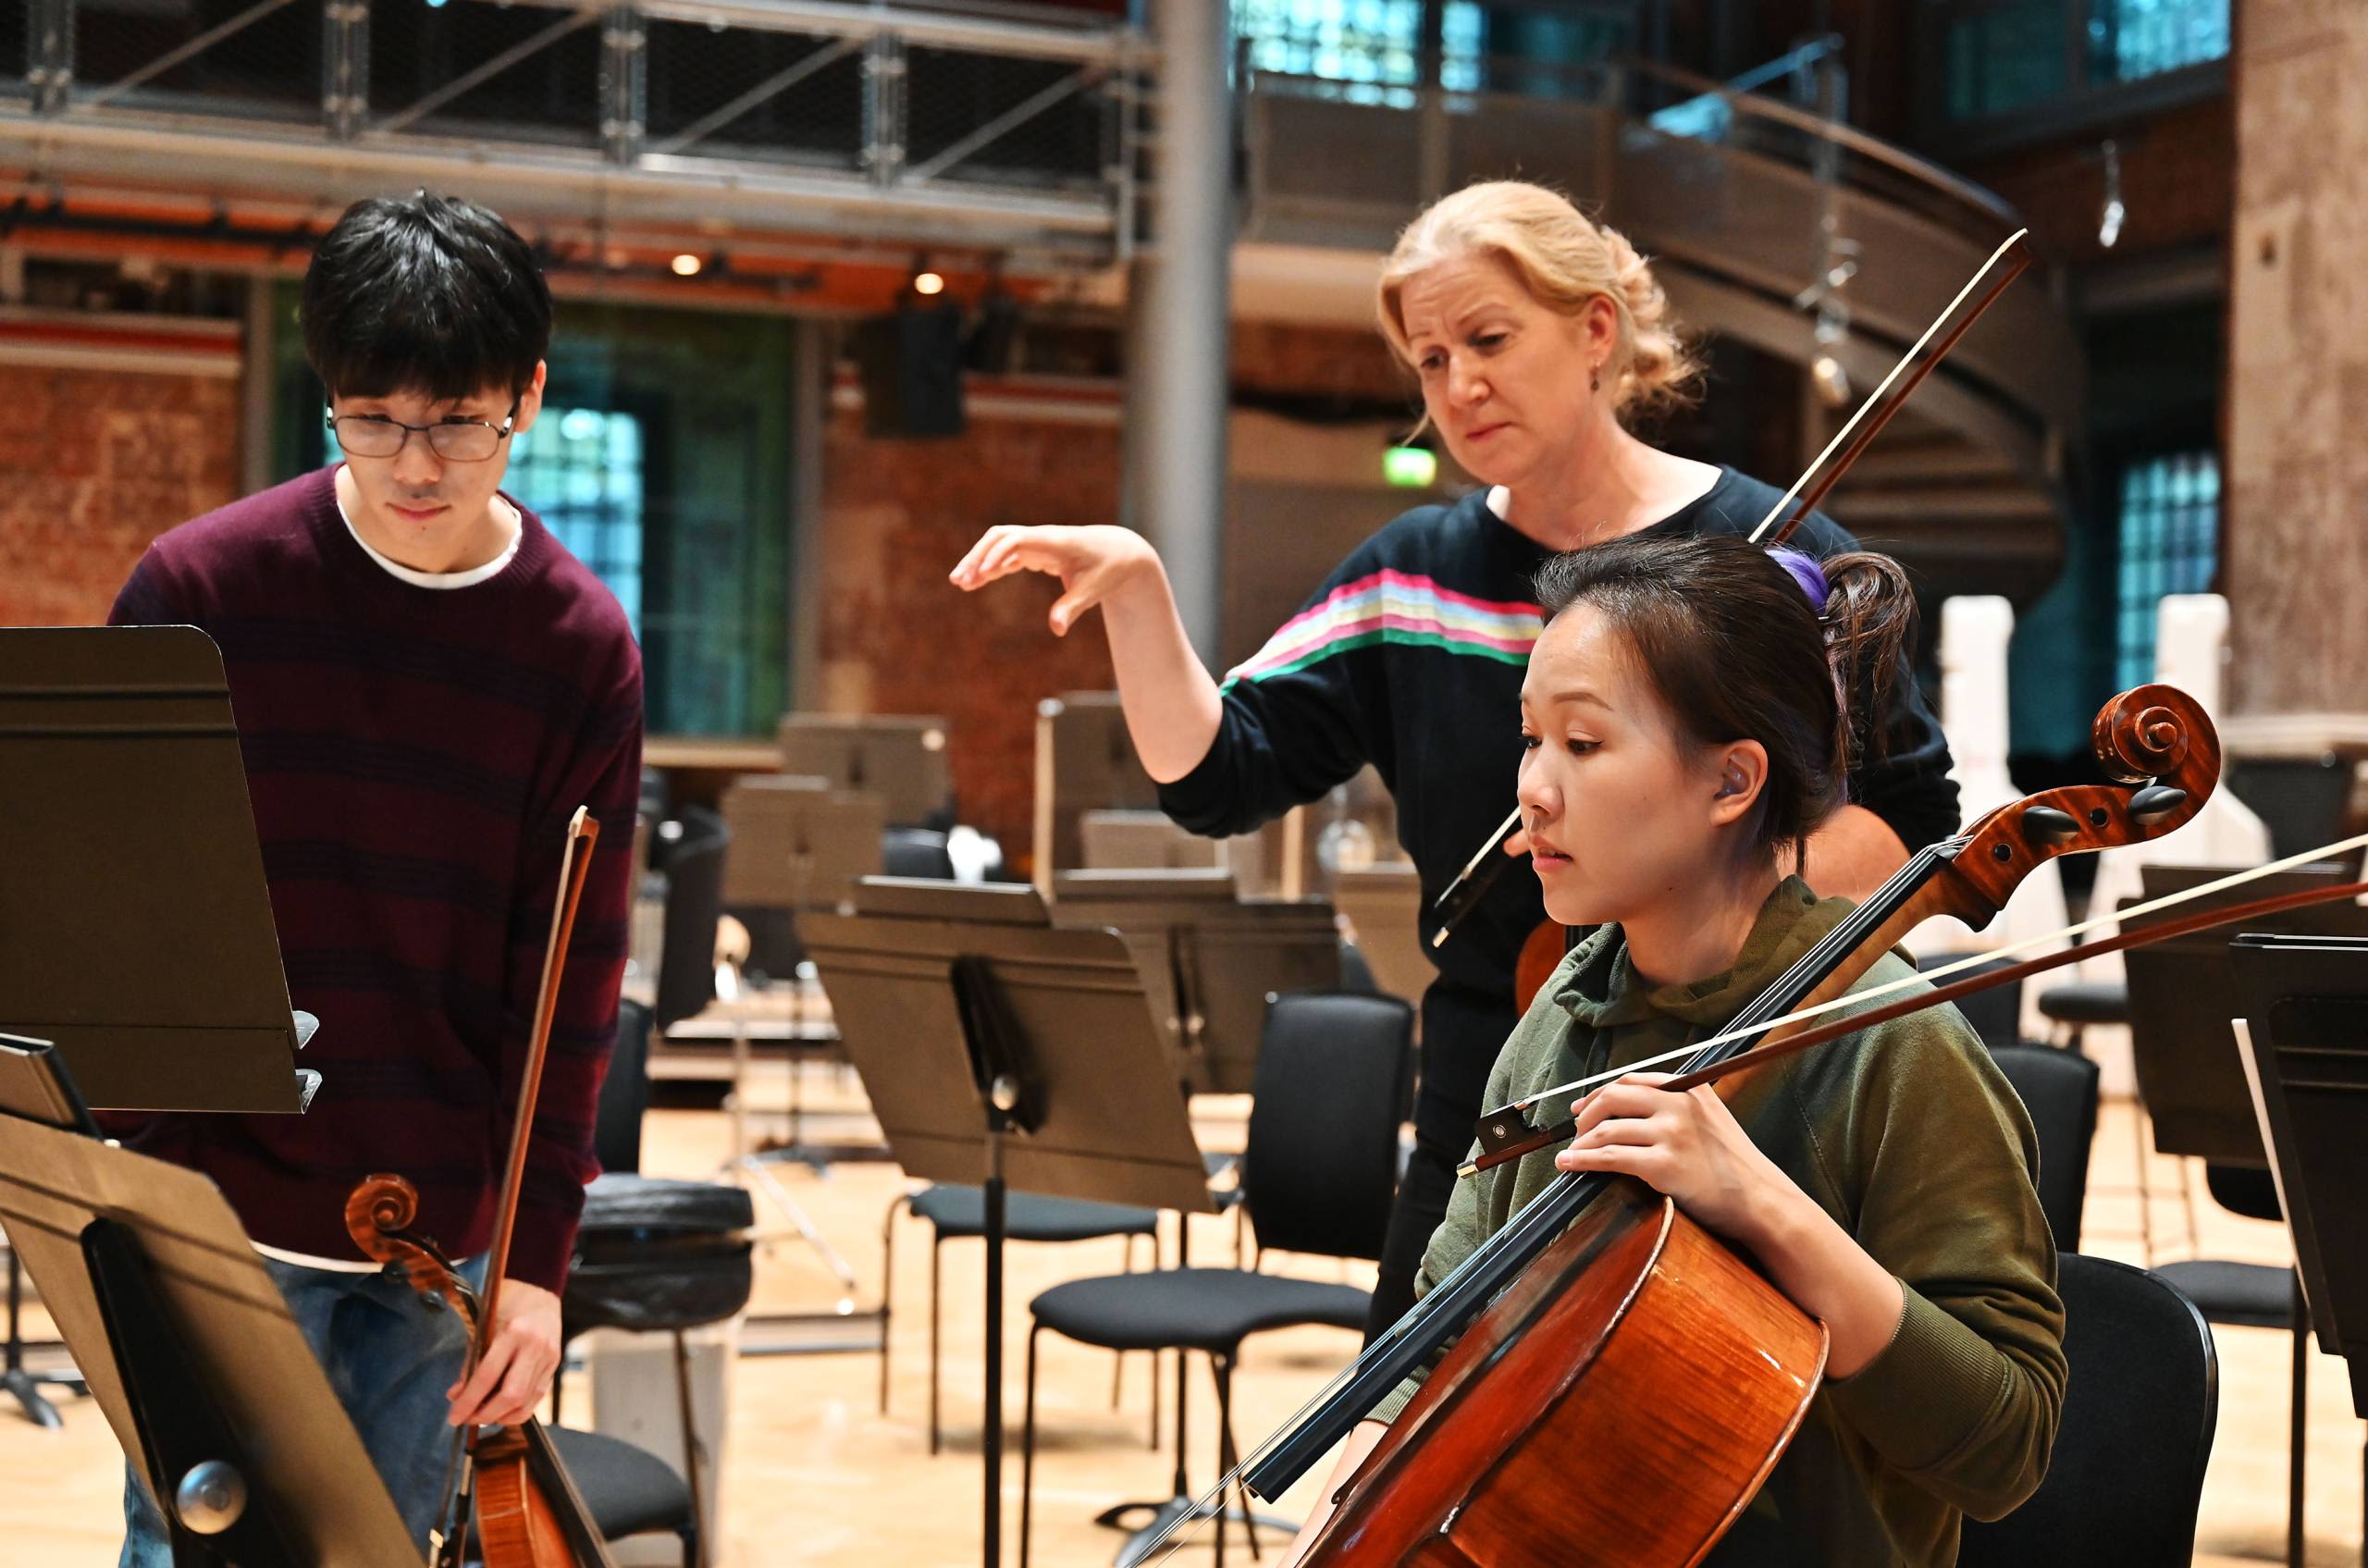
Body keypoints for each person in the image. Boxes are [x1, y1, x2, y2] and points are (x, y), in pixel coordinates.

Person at [949, 180, 1960, 1338]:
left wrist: (1710, 948)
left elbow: (1908, 816)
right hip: (1494, 1078)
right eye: (1429, 360)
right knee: (1409, 1436)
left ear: (1593, 332)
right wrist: (1139, 589)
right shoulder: (1412, 575)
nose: (1458, 385)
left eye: (1488, 339)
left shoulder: (1770, 552)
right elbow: (1220, 777)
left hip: (1741, 1086)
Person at [1282, 532, 2064, 1568]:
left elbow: (2005, 1449)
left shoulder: (1889, 1046)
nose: (1533, 791)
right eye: (1531, 741)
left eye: (1585, 745)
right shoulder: (1566, 1010)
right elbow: (1444, 1315)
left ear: (1732, 781)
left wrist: (1764, 1204)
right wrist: (1348, 1513)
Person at [105, 191, 643, 1562]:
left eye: (458, 419)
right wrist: (156, 1196)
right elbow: (125, 929)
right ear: (327, 393)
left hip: (441, 1243)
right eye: (373, 415)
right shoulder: (203, 594)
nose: (415, 461)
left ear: (526, 391)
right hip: (216, 1222)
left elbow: (569, 986)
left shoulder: (578, 647)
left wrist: (534, 1261)